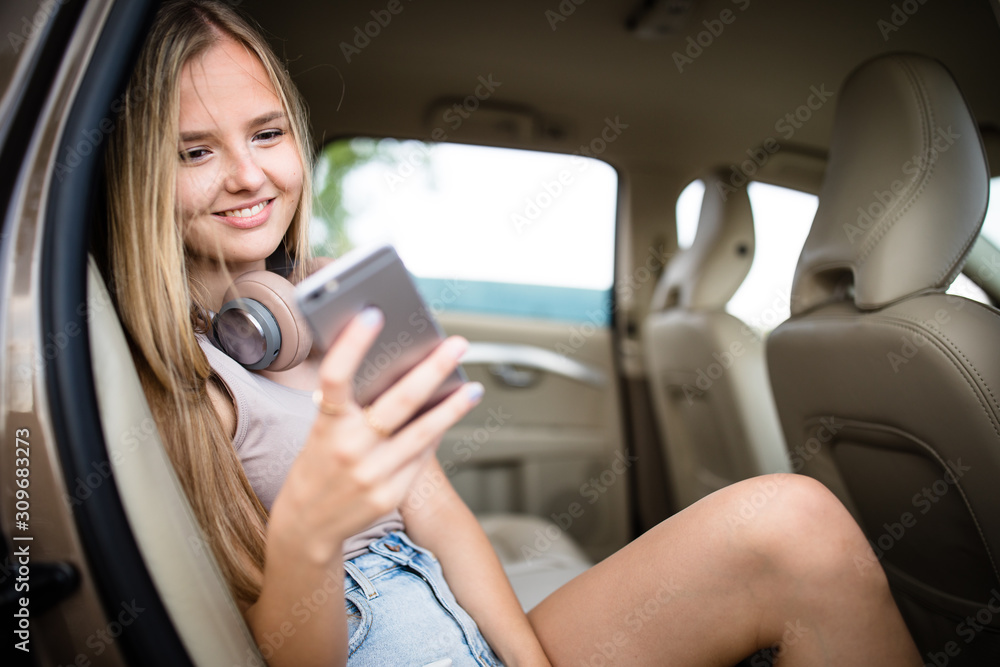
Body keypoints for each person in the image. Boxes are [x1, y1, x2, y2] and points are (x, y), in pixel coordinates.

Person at [102, 1, 922, 665]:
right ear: (144, 171)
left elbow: (439, 511)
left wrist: (529, 660)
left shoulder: (333, 297)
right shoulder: (157, 379)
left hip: (458, 621)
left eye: (268, 133)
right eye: (196, 151)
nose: (249, 174)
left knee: (793, 521)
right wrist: (311, 531)